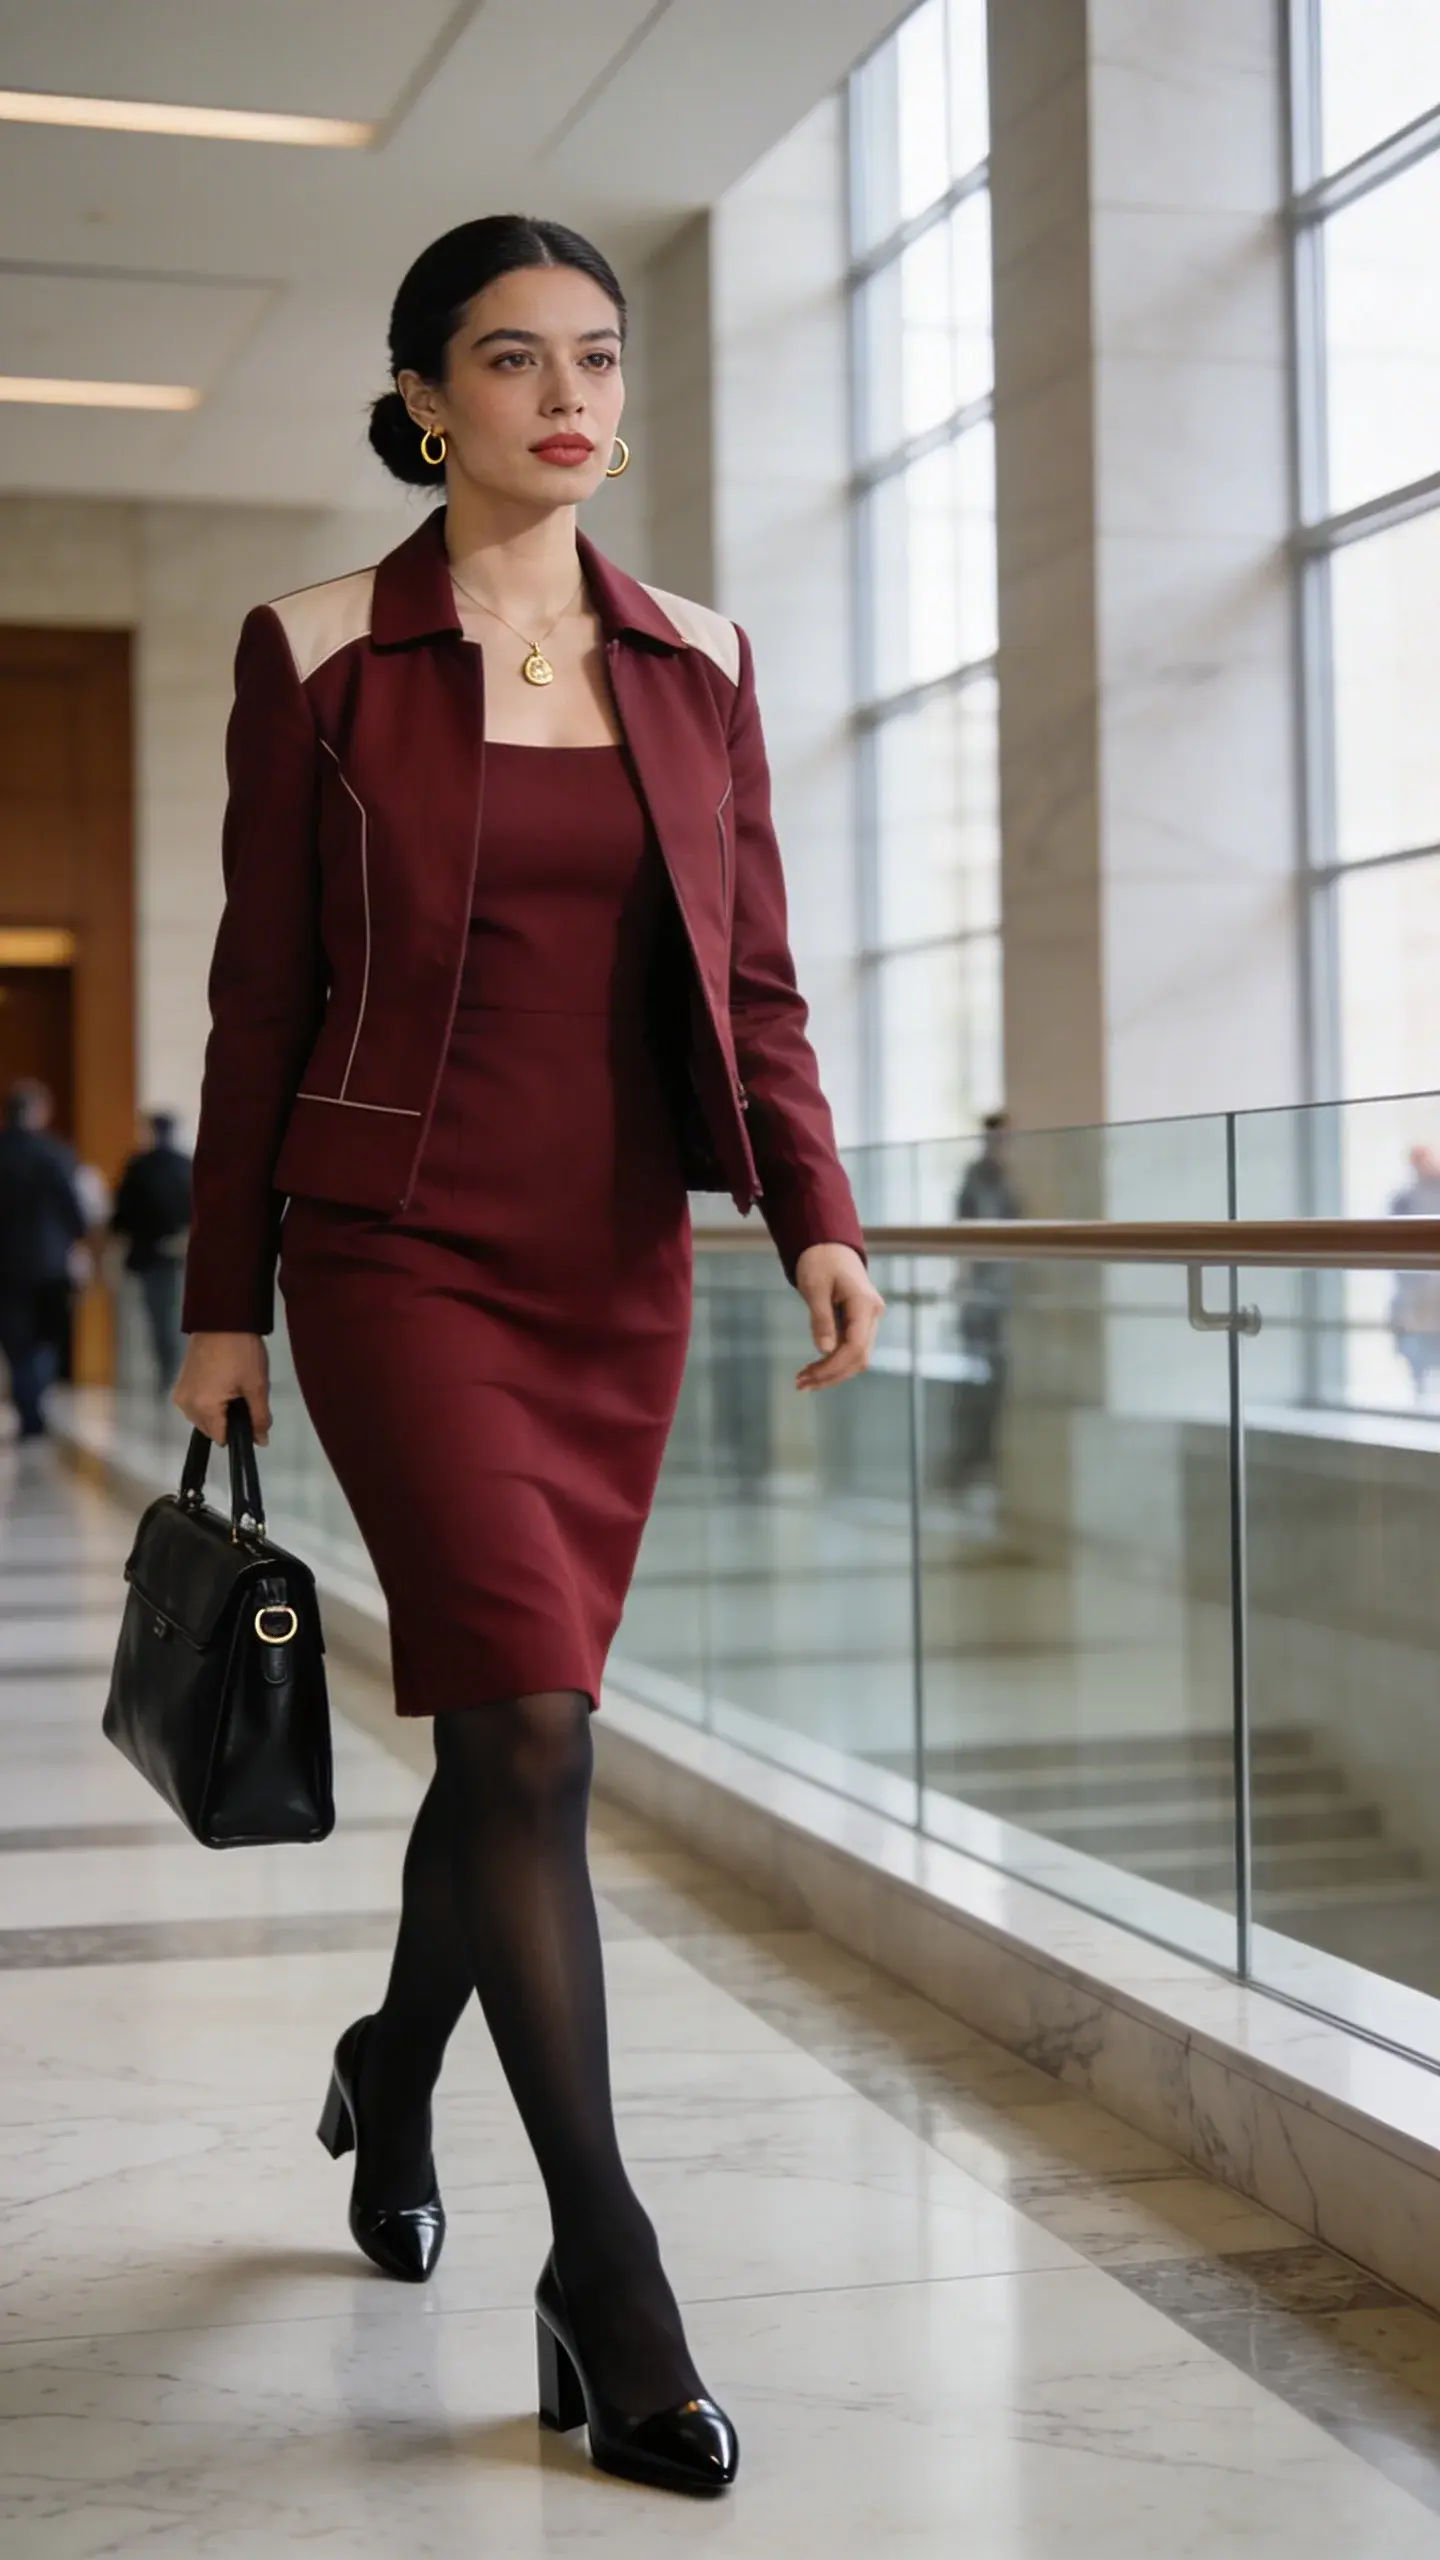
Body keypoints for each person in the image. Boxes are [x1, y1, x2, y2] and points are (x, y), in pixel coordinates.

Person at [173, 216, 884, 2498]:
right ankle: (610, 2265)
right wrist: (215, 1294)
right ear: (419, 397)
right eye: (508, 358)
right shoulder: (315, 652)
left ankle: (391, 2069)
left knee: (511, 1747)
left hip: (610, 1263)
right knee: (536, 1717)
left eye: (593, 355)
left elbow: (749, 976)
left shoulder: (701, 659)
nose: (563, 393)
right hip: (388, 1252)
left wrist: (815, 1210)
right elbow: (258, 996)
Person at [0, 1080, 88, 1440]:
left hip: (5, 1264)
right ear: (39, 1111)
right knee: (45, 1338)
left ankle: (29, 1408)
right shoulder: (56, 1153)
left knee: (15, 1339)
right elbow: (74, 1210)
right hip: (50, 1264)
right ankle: (36, 1402)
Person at [952, 1110, 1021, 1477]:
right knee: (976, 1381)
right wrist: (966, 1292)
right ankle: (970, 1460)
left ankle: (984, 1459)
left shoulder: (1007, 1179)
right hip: (980, 1298)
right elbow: (966, 1237)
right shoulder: (978, 1177)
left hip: (1000, 1296)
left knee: (995, 1380)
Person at [111, 1112, 193, 1390]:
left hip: (150, 1253)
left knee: (159, 1315)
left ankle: (168, 1371)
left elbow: (122, 1212)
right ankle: (175, 1370)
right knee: (176, 1315)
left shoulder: (140, 1167)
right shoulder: (185, 1166)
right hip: (181, 1253)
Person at [1389, 1145, 1440, 1402]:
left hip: (1432, 1299)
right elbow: (1398, 1261)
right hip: (1418, 1300)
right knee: (1419, 1362)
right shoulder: (1404, 1200)